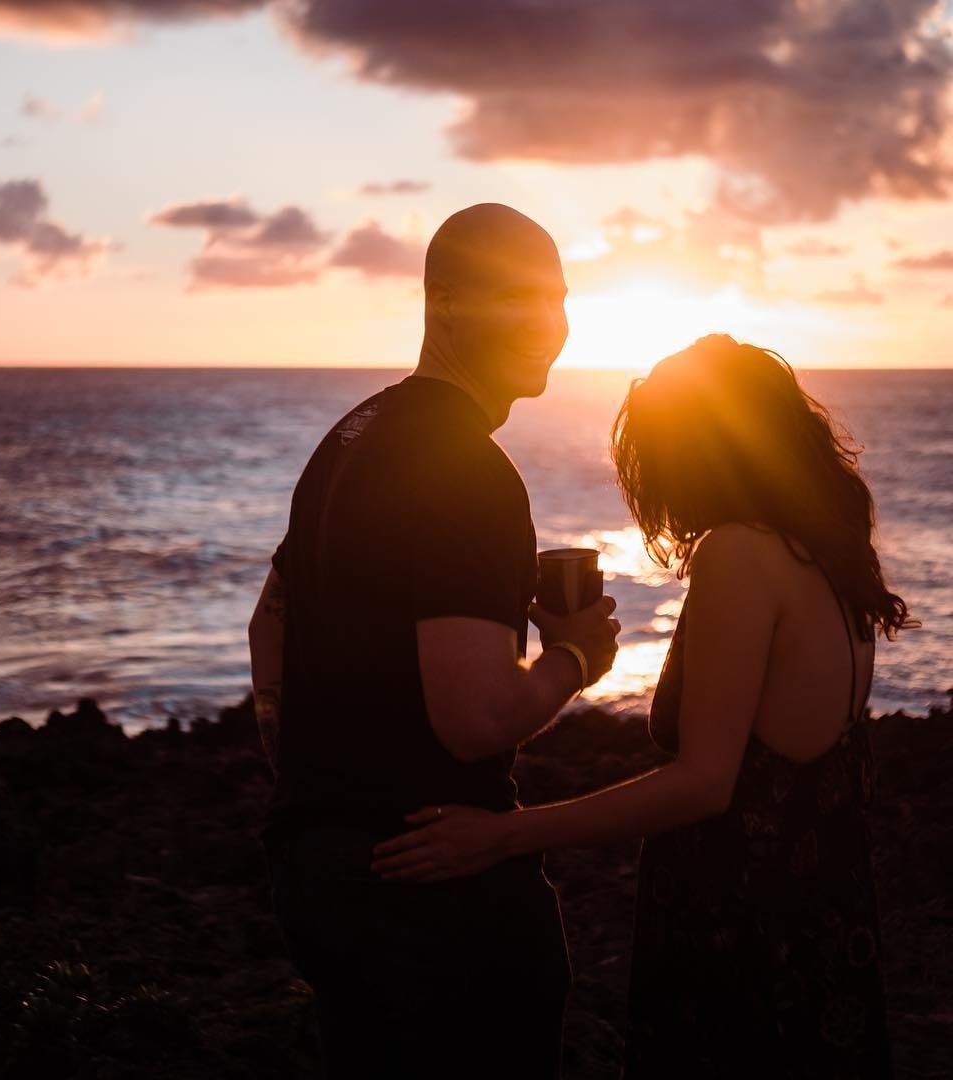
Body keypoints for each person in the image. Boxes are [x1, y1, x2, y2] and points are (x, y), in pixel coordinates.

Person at [373, 334, 912, 1079]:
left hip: (744, 932)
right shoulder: (829, 556)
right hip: (825, 919)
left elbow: (703, 783)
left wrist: (504, 836)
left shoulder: (739, 553)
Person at [248, 203, 621, 1080]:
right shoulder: (469, 470)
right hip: (434, 882)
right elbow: (474, 720)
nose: (545, 323)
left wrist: (302, 772)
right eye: (517, 297)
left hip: (319, 872)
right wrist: (574, 659)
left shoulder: (352, 435)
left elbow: (270, 619)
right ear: (445, 301)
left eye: (558, 299)